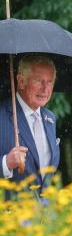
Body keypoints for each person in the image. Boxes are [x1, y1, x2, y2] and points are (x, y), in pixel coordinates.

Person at [0, 55, 60, 199]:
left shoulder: (50, 118)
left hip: (42, 216)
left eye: (50, 82)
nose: (45, 88)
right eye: (39, 81)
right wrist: (6, 163)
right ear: (20, 81)